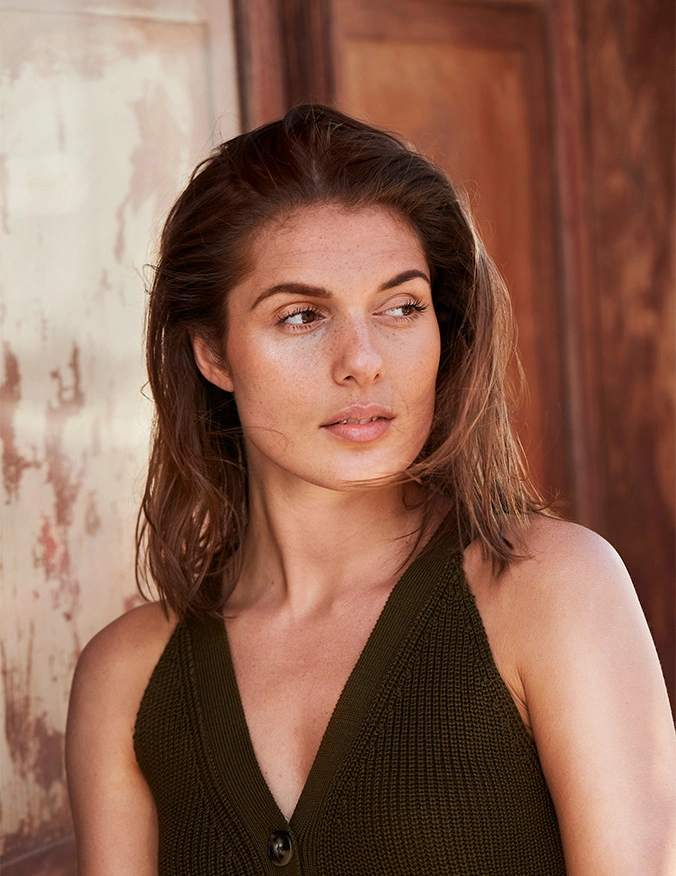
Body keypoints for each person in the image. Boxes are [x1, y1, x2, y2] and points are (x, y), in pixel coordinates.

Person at [66, 104, 676, 875]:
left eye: (401, 307)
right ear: (213, 353)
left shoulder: (552, 591)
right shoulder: (126, 679)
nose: (363, 360)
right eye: (301, 316)